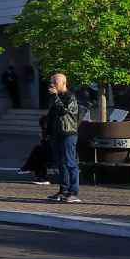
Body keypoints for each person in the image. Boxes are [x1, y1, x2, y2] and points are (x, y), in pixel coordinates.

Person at [45, 73, 81, 203]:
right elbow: (52, 116)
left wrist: (55, 96)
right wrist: (46, 132)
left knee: (70, 162)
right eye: (51, 82)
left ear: (63, 83)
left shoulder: (69, 97)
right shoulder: (55, 97)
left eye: (55, 82)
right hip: (57, 134)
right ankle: (63, 190)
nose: (52, 85)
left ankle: (74, 192)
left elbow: (63, 111)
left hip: (68, 133)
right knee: (61, 164)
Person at [18, 114, 53, 186]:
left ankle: (28, 168)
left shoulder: (52, 131)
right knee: (38, 151)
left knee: (39, 152)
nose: (43, 127)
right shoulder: (46, 131)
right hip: (50, 151)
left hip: (54, 152)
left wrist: (45, 139)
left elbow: (50, 144)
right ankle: (29, 168)